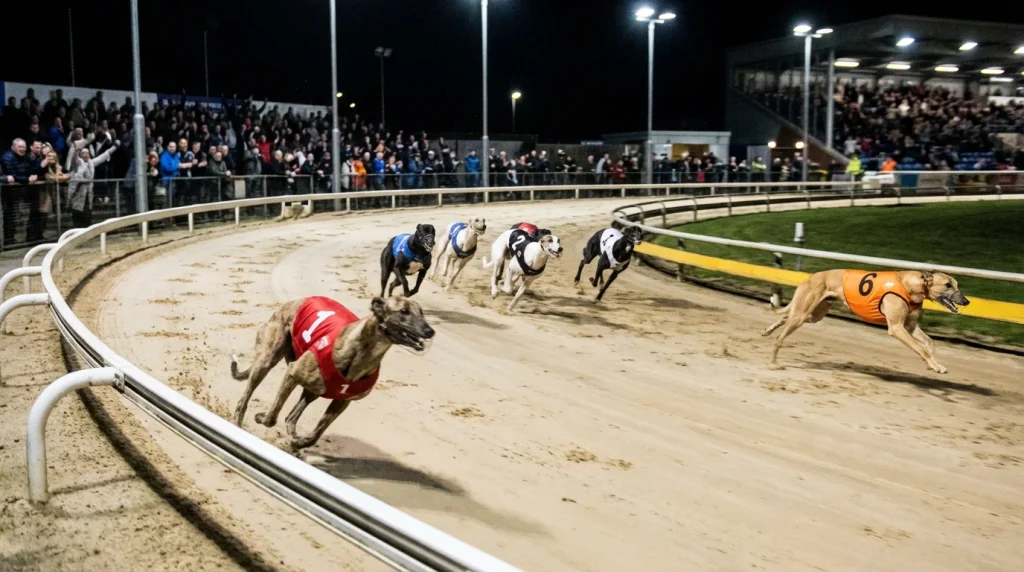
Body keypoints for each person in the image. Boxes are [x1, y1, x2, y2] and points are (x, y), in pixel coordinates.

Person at [67, 141, 119, 228]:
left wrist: (114, 147)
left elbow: (103, 157)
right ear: (81, 155)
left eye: (87, 153)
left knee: (87, 215)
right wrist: (76, 151)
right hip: (78, 193)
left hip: (89, 194)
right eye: (84, 153)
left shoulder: (91, 163)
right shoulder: (78, 164)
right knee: (77, 214)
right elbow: (74, 159)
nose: (86, 155)